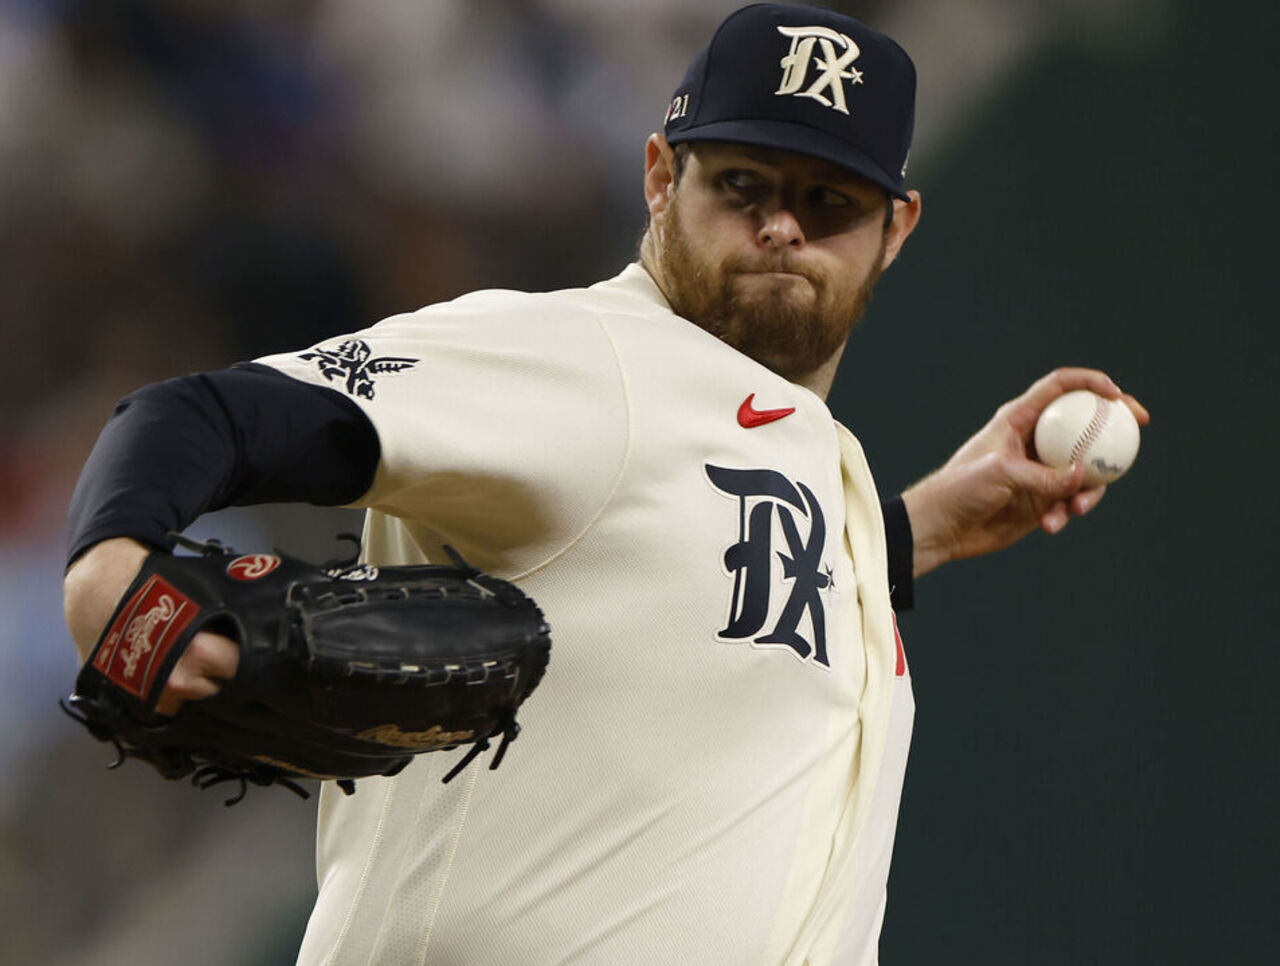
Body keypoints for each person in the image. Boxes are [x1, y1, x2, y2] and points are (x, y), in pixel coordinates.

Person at [62, 5, 1148, 964]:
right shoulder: (578, 356)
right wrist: (111, 577)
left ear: (894, 230)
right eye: (742, 184)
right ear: (659, 178)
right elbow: (196, 417)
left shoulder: (822, 470)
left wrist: (916, 530)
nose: (781, 226)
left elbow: (694, 598)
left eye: (828, 201)